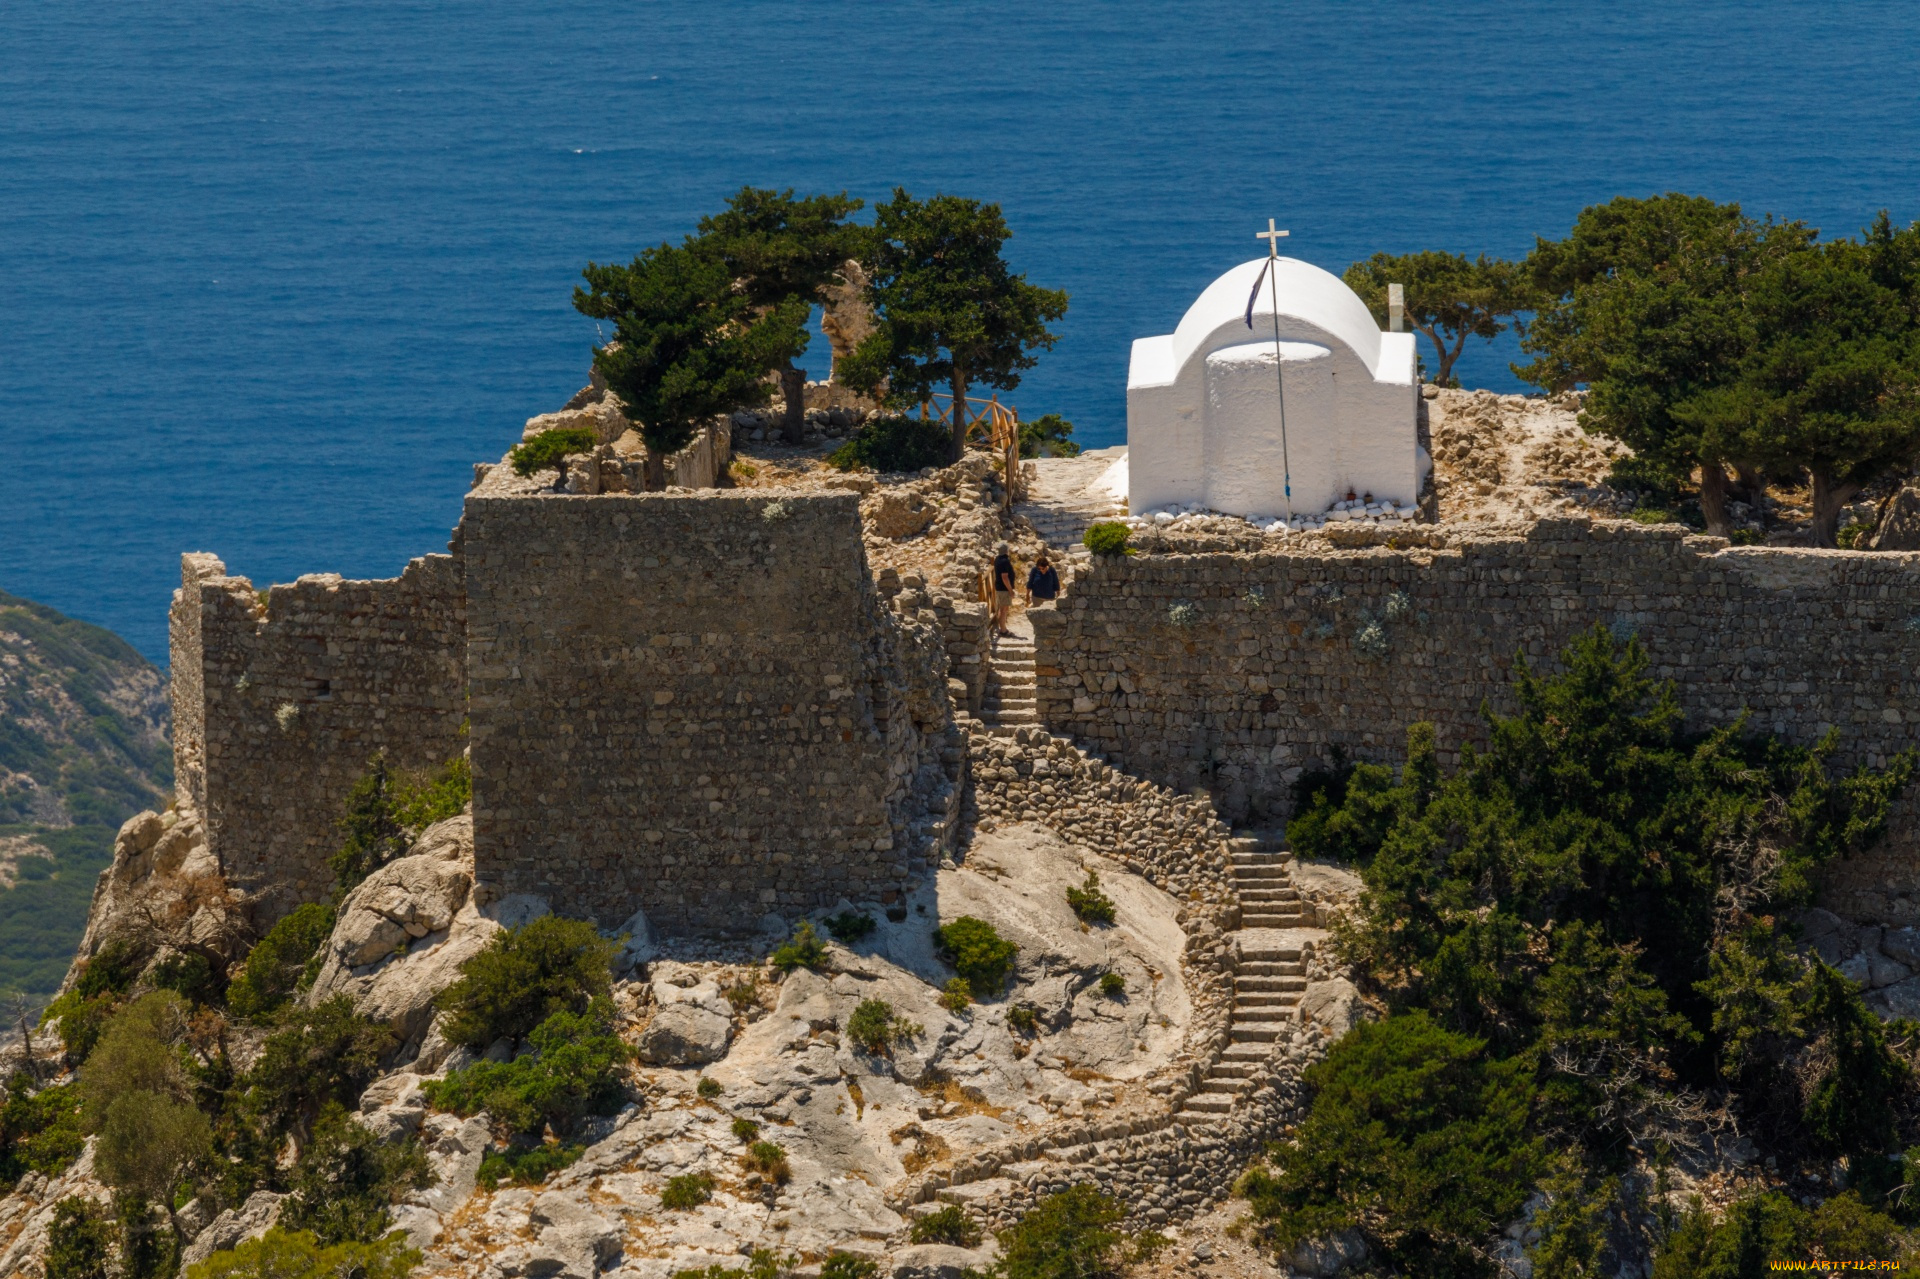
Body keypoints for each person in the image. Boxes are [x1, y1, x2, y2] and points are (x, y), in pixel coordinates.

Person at [992, 544, 1016, 635]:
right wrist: (1010, 590)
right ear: (1006, 551)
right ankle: (1003, 630)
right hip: (1004, 589)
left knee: (1002, 608)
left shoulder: (997, 559)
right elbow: (1005, 577)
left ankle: (1002, 628)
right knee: (1004, 609)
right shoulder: (1005, 561)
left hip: (999, 587)